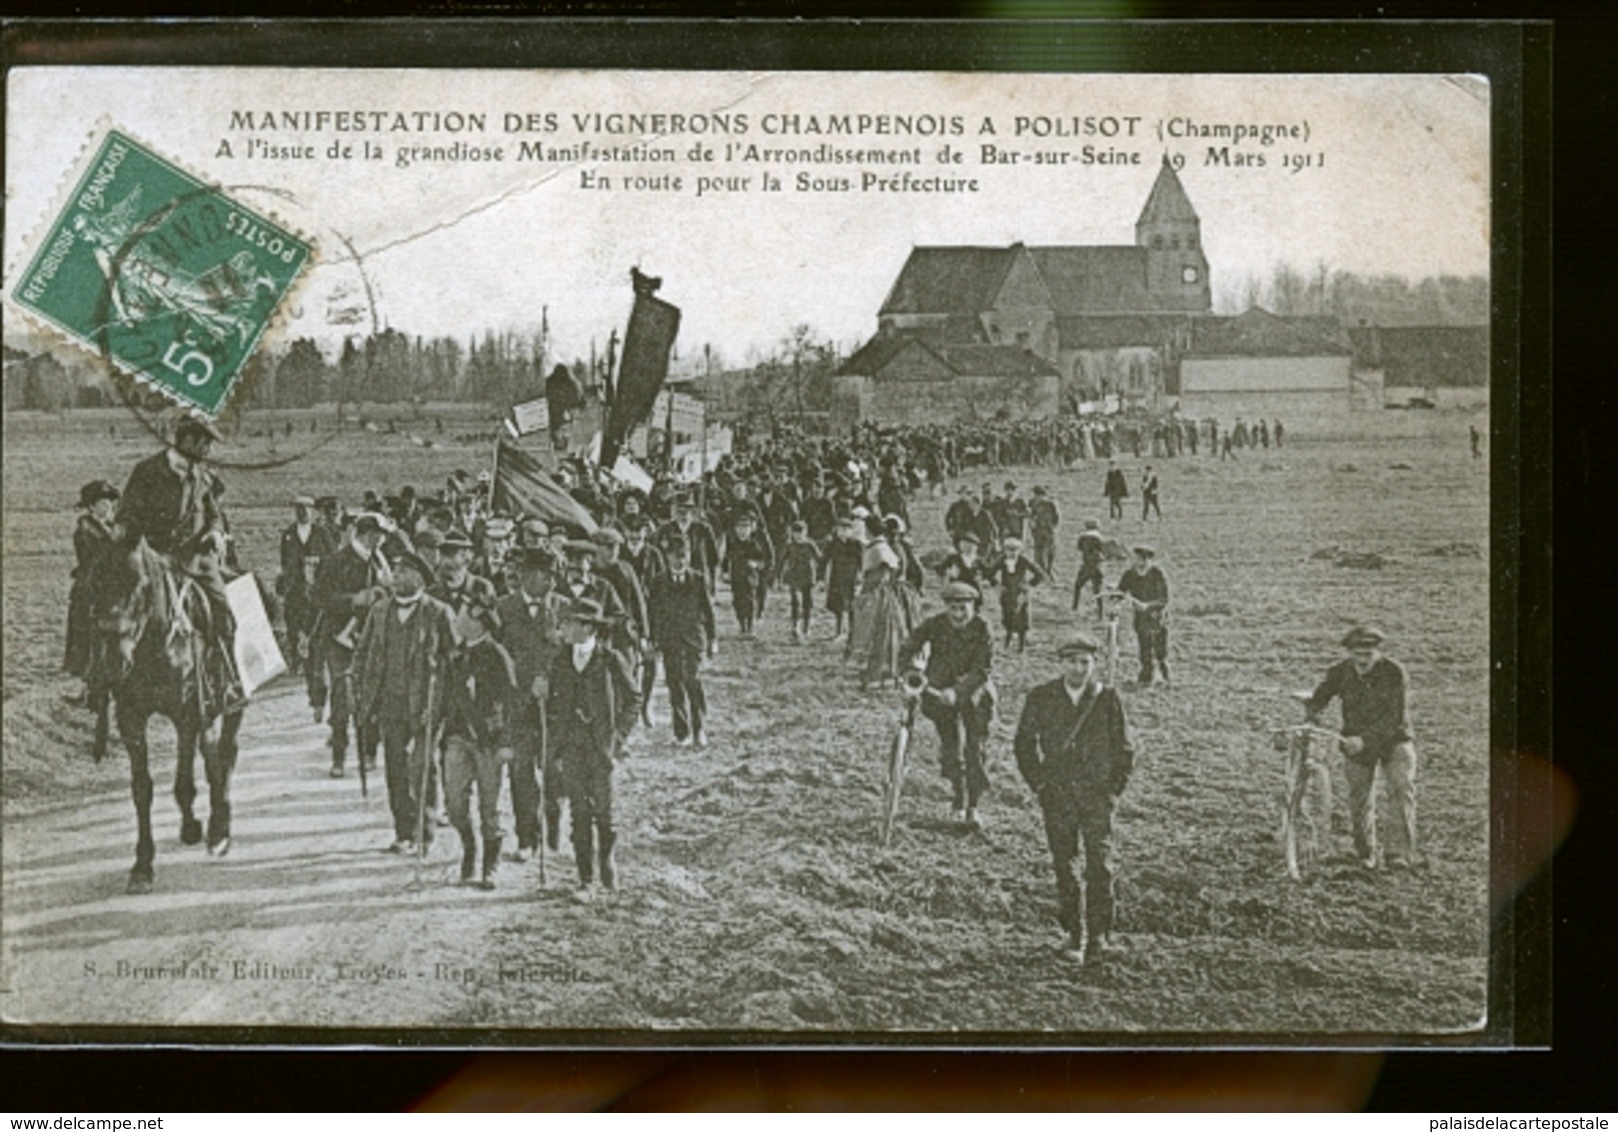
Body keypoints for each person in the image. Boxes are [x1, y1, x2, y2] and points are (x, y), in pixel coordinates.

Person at [1013, 633, 1134, 964]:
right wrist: (1039, 784)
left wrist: (1112, 790)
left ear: (1094, 664)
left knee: (1100, 866)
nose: (1079, 669)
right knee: (1064, 866)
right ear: (1060, 663)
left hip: (1096, 797)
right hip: (1058, 795)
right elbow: (1024, 744)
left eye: (1085, 662)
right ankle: (1073, 935)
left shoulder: (1107, 699)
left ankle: (1099, 937)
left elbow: (1124, 749)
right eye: (1072, 662)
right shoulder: (1042, 697)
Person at [116, 415, 243, 710]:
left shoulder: (204, 476)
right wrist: (136, 541)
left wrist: (213, 532)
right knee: (113, 605)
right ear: (186, 440)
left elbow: (214, 514)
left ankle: (225, 682)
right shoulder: (146, 471)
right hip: (153, 560)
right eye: (204, 442)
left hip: (196, 560)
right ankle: (103, 681)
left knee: (224, 611)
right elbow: (127, 514)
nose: (208, 449)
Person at [353, 551, 453, 854]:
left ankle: (426, 831)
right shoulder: (380, 611)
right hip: (389, 704)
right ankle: (404, 832)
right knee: (395, 768)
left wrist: (441, 705)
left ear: (419, 578)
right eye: (394, 573)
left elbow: (453, 661)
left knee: (422, 766)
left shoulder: (438, 612)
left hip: (426, 704)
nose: (395, 578)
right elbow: (363, 651)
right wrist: (358, 685)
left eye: (403, 573)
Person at [546, 597, 640, 902]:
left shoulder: (610, 659)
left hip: (602, 748)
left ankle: (607, 861)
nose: (565, 628)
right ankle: (585, 879)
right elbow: (553, 704)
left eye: (570, 623)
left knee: (605, 811)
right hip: (571, 746)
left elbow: (634, 699)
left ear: (587, 627)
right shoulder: (560, 660)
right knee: (579, 813)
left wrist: (618, 738)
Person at [1303, 626, 1419, 870]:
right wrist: (1312, 715)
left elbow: (1394, 717)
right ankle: (1364, 852)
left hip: (1394, 740)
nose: (1363, 659)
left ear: (1378, 652)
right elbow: (1320, 696)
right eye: (1357, 654)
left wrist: (1365, 740)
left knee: (1400, 790)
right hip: (1355, 745)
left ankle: (1397, 855)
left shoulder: (1393, 673)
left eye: (1368, 654)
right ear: (1349, 653)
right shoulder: (1339, 673)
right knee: (1358, 797)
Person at [898, 581, 996, 826]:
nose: (958, 614)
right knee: (951, 747)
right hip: (938, 692)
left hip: (974, 692)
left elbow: (982, 669)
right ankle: (958, 798)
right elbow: (908, 645)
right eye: (953, 608)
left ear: (973, 607)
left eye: (963, 608)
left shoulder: (983, 628)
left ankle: (973, 805)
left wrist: (958, 691)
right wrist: (909, 672)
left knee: (975, 749)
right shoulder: (936, 624)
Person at [494, 548, 566, 862]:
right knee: (521, 772)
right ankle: (527, 837)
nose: (550, 581)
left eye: (552, 576)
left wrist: (552, 683)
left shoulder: (564, 608)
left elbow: (576, 656)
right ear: (525, 577)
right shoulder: (502, 609)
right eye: (544, 575)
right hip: (517, 706)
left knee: (554, 772)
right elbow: (494, 659)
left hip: (555, 706)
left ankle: (552, 826)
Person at [441, 601, 519, 889]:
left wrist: (506, 742)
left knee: (490, 805)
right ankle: (469, 846)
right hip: (457, 737)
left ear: (478, 623)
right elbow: (446, 696)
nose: (457, 619)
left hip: (489, 741)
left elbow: (512, 701)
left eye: (463, 615)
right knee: (454, 802)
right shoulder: (456, 655)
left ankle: (489, 864)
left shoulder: (497, 655)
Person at [311, 512, 392, 775]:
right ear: (369, 533)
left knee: (372, 694)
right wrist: (354, 599)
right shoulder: (336, 561)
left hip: (371, 639)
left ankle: (368, 752)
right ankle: (339, 756)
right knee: (341, 696)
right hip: (340, 639)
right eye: (379, 534)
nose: (381, 539)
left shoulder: (379, 560)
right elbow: (320, 598)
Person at [646, 537, 717, 748]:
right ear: (667, 558)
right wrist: (653, 640)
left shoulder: (698, 579)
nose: (679, 561)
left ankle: (699, 729)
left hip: (694, 639)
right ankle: (681, 732)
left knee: (693, 681)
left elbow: (708, 611)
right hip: (670, 641)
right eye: (675, 556)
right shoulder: (659, 582)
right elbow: (654, 613)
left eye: (683, 556)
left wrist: (713, 639)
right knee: (674, 684)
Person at [845, 514, 920, 690]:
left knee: (881, 636)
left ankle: (880, 677)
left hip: (882, 596)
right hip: (887, 593)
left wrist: (867, 591)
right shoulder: (883, 547)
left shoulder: (880, 549)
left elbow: (883, 575)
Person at [64, 479, 121, 699]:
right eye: (103, 503)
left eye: (110, 503)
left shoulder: (113, 526)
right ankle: (87, 685)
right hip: (91, 587)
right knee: (88, 633)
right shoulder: (85, 529)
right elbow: (92, 560)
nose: (108, 507)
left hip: (111, 585)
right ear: (91, 506)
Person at [278, 495, 337, 678]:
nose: (303, 512)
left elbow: (334, 558)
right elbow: (284, 560)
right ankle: (296, 661)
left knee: (315, 624)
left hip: (316, 588)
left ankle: (315, 662)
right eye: (299, 509)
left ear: (312, 511)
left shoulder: (322, 533)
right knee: (293, 623)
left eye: (306, 508)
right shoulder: (288, 534)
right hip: (295, 589)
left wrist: (318, 561)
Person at [1117, 545, 1169, 685]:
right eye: (1134, 558)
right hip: (1140, 618)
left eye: (1138, 558)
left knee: (1160, 651)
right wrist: (1114, 595)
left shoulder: (1157, 574)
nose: (1134, 561)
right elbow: (1121, 592)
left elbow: (1164, 599)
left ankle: (1164, 676)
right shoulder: (1129, 575)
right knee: (1144, 647)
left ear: (1145, 559)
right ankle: (1146, 677)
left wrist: (1148, 606)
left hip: (1157, 617)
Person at [722, 512, 773, 638]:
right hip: (736, 574)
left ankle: (750, 626)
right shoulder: (732, 542)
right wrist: (724, 572)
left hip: (750, 576)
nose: (742, 531)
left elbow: (764, 560)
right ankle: (742, 625)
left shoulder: (755, 544)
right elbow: (726, 557)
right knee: (737, 600)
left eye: (745, 527)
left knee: (750, 599)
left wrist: (756, 564)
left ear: (751, 529)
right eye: (739, 527)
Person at [996, 537, 1046, 652]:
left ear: (1020, 551)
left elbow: (1039, 574)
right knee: (1008, 617)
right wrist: (998, 585)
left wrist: (1029, 585)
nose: (1012, 553)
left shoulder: (1023, 561)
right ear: (1004, 550)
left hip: (1020, 594)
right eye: (1009, 550)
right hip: (1007, 593)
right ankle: (1007, 643)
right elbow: (990, 572)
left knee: (1022, 619)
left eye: (1015, 550)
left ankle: (1021, 646)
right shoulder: (1002, 560)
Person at [778, 520, 822, 643]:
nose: (798, 536)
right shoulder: (789, 545)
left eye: (801, 533)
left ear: (806, 533)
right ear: (792, 533)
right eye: (795, 533)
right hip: (793, 576)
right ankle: (794, 626)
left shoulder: (810, 545)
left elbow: (820, 559)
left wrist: (820, 577)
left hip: (807, 576)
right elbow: (781, 561)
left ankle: (806, 626)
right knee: (795, 601)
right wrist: (779, 577)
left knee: (807, 603)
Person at [823, 515, 864, 641]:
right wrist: (822, 578)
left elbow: (862, 561)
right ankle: (839, 631)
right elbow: (824, 559)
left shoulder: (856, 544)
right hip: (837, 578)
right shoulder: (833, 544)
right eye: (841, 529)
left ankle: (853, 632)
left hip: (851, 578)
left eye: (846, 529)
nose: (843, 532)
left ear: (851, 531)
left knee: (852, 606)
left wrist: (860, 575)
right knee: (838, 606)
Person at [1072, 519, 1106, 614]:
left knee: (1078, 585)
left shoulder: (1083, 537)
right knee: (1098, 590)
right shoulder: (1098, 537)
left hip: (1087, 565)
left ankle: (1075, 606)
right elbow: (1103, 550)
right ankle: (1101, 613)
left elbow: (1079, 548)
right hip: (1097, 566)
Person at [1028, 485, 1060, 578]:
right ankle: (1041, 572)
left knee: (1050, 551)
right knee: (1039, 551)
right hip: (1039, 530)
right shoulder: (1033, 502)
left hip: (1048, 529)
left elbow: (1057, 517)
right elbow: (1032, 515)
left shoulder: (1051, 503)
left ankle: (1049, 571)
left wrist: (1054, 527)